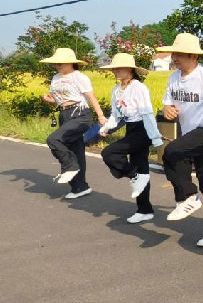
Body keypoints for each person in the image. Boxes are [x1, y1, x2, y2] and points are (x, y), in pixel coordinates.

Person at [156, 33, 203, 247]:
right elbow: (167, 104)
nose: (174, 57)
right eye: (173, 53)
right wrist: (168, 109)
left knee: (172, 152)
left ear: (193, 55)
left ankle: (188, 197)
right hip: (193, 134)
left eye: (178, 53)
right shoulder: (173, 78)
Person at [98, 53, 163, 224]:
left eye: (119, 68)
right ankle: (144, 209)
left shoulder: (138, 88)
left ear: (131, 70)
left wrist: (155, 138)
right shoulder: (116, 90)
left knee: (109, 153)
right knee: (140, 167)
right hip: (131, 128)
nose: (115, 71)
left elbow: (147, 113)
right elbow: (116, 115)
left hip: (142, 129)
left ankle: (134, 176)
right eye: (114, 68)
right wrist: (106, 127)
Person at [41, 47, 107, 199]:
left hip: (80, 114)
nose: (59, 65)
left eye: (63, 62)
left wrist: (101, 116)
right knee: (76, 151)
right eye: (57, 62)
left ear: (71, 63)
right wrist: (50, 100)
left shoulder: (79, 77)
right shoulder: (55, 78)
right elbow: (59, 99)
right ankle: (79, 187)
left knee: (54, 140)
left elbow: (91, 97)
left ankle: (69, 167)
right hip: (64, 115)